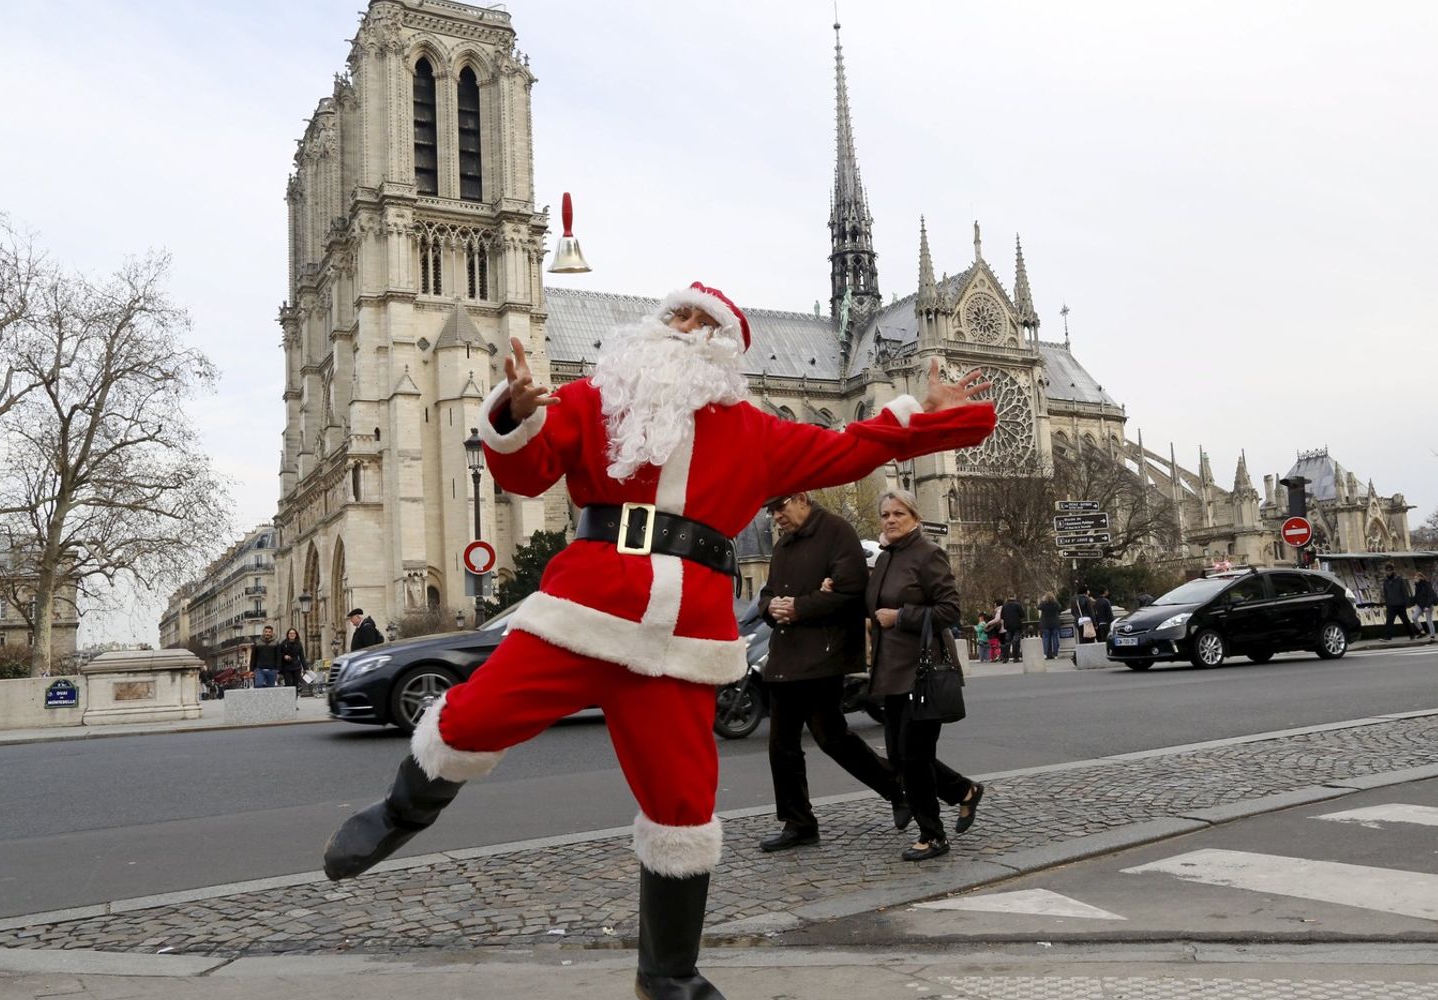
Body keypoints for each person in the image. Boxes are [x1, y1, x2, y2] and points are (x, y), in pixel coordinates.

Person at [322, 282, 995, 1000]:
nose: (681, 328)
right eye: (676, 314)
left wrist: (926, 411)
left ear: (725, 353)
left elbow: (855, 445)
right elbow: (528, 467)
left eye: (701, 323)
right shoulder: (596, 399)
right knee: (474, 716)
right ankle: (396, 813)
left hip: (681, 639)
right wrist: (512, 413)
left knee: (683, 806)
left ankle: (667, 972)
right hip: (583, 610)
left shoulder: (758, 433)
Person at [755, 492, 910, 853]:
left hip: (822, 655)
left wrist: (800, 607)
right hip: (785, 658)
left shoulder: (836, 532)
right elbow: (767, 593)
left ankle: (895, 786)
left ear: (803, 499)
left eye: (780, 506)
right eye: (771, 510)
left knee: (831, 737)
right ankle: (799, 822)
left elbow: (853, 593)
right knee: (782, 746)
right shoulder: (783, 545)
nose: (776, 515)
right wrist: (770, 606)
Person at [866, 489, 984, 863]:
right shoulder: (886, 559)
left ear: (914, 517)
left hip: (922, 671)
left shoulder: (928, 554)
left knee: (915, 757)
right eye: (885, 514)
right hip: (891, 671)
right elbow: (872, 605)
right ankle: (964, 790)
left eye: (898, 513)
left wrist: (900, 617)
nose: (890, 520)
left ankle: (932, 836)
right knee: (901, 757)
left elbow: (949, 609)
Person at [1380, 563, 1417, 641]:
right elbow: (1385, 593)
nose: (1388, 572)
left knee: (1405, 621)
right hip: (1391, 605)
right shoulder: (1386, 581)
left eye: (1390, 570)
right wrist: (1387, 603)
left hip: (1400, 604)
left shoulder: (1399, 579)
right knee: (1389, 621)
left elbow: (1404, 591)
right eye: (1387, 571)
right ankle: (1387, 637)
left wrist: (1407, 603)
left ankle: (1412, 634)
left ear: (1393, 571)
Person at [1410, 572, 1438, 642]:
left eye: (1416, 578)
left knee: (1429, 621)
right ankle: (1422, 631)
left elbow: (1430, 596)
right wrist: (1410, 604)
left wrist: (1427, 606)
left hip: (1427, 605)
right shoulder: (1417, 586)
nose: (1414, 579)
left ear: (1420, 578)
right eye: (1414, 578)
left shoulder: (1426, 585)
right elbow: (1416, 597)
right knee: (1414, 617)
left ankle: (1432, 636)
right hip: (1420, 605)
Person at [280, 627, 307, 695]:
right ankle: (289, 702)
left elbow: (302, 656)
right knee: (288, 685)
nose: (292, 634)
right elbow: (279, 654)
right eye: (290, 633)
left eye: (293, 633)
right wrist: (284, 656)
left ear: (296, 635)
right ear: (288, 635)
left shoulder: (299, 643)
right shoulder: (283, 643)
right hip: (286, 667)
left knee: (295, 686)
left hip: (296, 667)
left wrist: (306, 668)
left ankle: (294, 703)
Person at [999, 595, 1025, 663]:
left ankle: (1005, 657)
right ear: (1014, 598)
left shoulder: (1004, 606)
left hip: (1008, 626)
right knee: (1016, 641)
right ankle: (1016, 657)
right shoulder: (1018, 605)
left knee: (1007, 642)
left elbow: (1002, 616)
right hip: (1017, 626)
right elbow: (1022, 615)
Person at [1037, 592, 1062, 660]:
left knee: (1045, 639)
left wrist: (1042, 600)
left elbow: (1038, 607)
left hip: (1045, 624)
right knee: (1055, 639)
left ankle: (1045, 654)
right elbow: (1060, 608)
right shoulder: (1056, 603)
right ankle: (1056, 654)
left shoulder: (1043, 604)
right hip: (1055, 623)